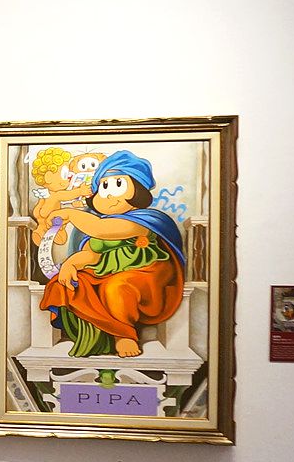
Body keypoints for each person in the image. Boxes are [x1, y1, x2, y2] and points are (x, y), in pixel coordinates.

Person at [39, 150, 185, 359]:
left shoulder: (146, 219)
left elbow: (102, 229)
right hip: (109, 272)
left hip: (149, 274)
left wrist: (70, 214)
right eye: (104, 187)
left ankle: (124, 335)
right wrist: (71, 264)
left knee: (117, 287)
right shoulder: (97, 223)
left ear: (138, 190)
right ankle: (96, 336)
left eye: (118, 185)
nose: (109, 194)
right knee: (65, 284)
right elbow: (92, 254)